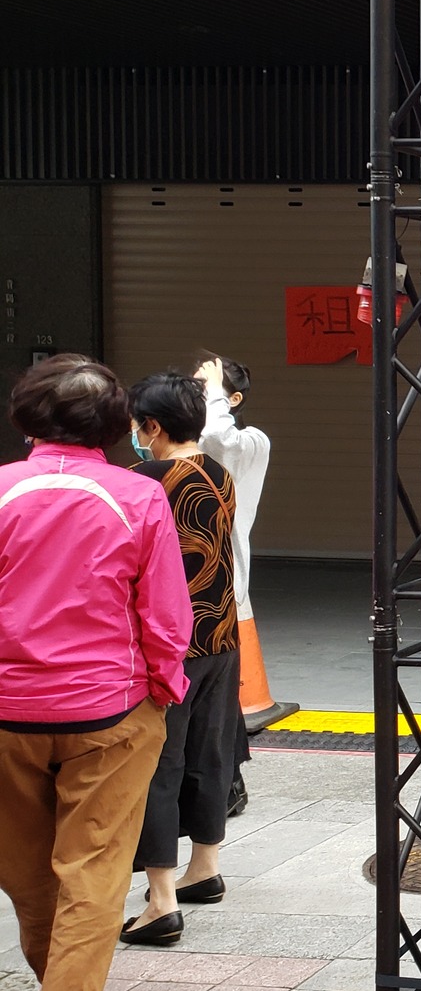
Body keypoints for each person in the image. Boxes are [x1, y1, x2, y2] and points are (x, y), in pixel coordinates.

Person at [0, 356, 192, 991]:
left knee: (26, 870)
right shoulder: (136, 496)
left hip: (8, 710)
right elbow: (165, 612)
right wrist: (164, 689)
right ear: (116, 425)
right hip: (111, 708)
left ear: (27, 417)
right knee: (94, 867)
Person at [121, 372, 241, 948]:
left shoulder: (146, 480)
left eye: (136, 424)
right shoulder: (218, 470)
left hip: (170, 643)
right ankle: (205, 869)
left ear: (152, 426)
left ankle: (161, 900)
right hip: (221, 636)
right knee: (209, 755)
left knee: (158, 763)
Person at [195, 355, 274, 813]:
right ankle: (223, 784)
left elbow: (217, 438)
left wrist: (214, 395)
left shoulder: (250, 442)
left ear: (233, 399)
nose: (199, 394)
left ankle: (228, 785)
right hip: (188, 585)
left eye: (206, 388)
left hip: (222, 582)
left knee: (215, 696)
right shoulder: (185, 447)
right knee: (208, 697)